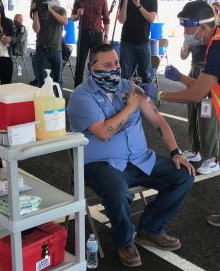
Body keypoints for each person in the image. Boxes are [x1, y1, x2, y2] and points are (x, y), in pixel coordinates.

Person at [67, 44, 195, 267]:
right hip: (100, 164)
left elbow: (158, 121)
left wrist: (176, 153)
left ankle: (150, 228)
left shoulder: (128, 86)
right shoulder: (81, 96)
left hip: (139, 158)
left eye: (116, 63)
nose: (115, 69)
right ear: (92, 67)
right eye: (107, 65)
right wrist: (130, 106)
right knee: (118, 192)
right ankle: (124, 241)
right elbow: (104, 133)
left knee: (183, 175)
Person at [141, 0, 220, 227]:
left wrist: (159, 95)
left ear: (201, 27)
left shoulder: (217, 47)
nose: (184, 32)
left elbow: (196, 95)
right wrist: (181, 78)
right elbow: (205, 86)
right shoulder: (213, 42)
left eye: (186, 27)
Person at [175, 41, 220, 175]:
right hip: (194, 69)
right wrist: (186, 41)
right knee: (192, 113)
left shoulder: (214, 35)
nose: (186, 29)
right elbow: (183, 55)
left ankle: (214, 159)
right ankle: (195, 150)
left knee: (207, 118)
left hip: (209, 73)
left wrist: (161, 95)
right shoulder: (193, 32)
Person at [71, 0, 110, 87]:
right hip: (83, 34)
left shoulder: (103, 0)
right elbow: (72, 18)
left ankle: (96, 88)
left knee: (97, 64)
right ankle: (77, 90)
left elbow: (107, 20)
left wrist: (106, 37)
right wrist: (78, 14)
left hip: (97, 35)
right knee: (80, 63)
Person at [118, 0, 157, 83]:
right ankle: (124, 98)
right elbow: (121, 20)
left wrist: (139, 5)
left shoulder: (151, 1)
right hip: (127, 42)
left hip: (143, 42)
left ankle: (146, 99)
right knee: (124, 74)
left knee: (146, 74)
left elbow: (151, 18)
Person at [31, 0, 67, 87]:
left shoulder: (61, 10)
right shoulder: (39, 10)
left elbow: (65, 21)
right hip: (42, 48)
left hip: (56, 49)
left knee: (57, 78)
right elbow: (36, 29)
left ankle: (58, 99)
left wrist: (50, 10)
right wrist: (35, 12)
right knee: (42, 78)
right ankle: (43, 100)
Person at [0, 0, 15, 169]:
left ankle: (6, 118)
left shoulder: (8, 22)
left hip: (6, 59)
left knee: (7, 89)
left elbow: (15, 38)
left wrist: (10, 39)